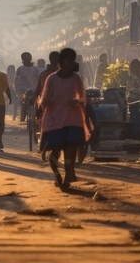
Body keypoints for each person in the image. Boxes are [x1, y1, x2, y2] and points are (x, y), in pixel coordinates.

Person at [40, 48, 89, 190]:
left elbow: (82, 96)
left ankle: (69, 173)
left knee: (71, 146)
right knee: (55, 151)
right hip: (55, 118)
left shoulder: (76, 78)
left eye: (73, 61)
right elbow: (44, 100)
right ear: (60, 62)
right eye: (68, 60)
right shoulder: (52, 78)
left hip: (73, 118)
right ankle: (57, 175)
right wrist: (49, 102)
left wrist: (78, 102)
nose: (71, 63)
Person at [15, 52, 39, 122]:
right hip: (24, 90)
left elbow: (38, 79)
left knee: (34, 103)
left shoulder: (34, 69)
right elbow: (16, 80)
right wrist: (17, 90)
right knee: (24, 102)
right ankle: (23, 117)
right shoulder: (21, 69)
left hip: (32, 89)